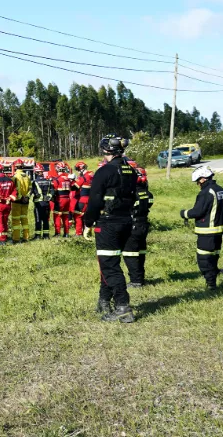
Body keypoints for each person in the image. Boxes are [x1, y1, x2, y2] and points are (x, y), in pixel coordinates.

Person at [83, 135, 138, 323]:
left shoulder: (104, 171)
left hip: (108, 224)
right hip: (126, 222)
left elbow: (94, 201)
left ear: (106, 150)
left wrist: (88, 222)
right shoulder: (131, 170)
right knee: (109, 263)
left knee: (109, 266)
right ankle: (104, 300)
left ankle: (123, 307)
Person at [180, 166, 223, 290]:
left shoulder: (206, 192)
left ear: (202, 179)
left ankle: (211, 285)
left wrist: (184, 213)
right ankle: (213, 280)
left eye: (197, 181)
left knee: (204, 259)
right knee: (214, 256)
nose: (198, 184)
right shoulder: (220, 190)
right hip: (218, 231)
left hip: (207, 232)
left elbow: (197, 211)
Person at [123, 167, 153, 288]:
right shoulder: (147, 193)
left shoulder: (131, 194)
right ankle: (141, 278)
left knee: (130, 253)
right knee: (141, 252)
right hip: (143, 224)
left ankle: (135, 281)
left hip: (133, 225)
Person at [11, 161, 35, 243]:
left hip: (17, 201)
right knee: (24, 219)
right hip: (25, 200)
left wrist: (20, 197)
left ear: (15, 167)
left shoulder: (15, 177)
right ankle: (26, 237)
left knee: (16, 220)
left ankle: (16, 239)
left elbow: (13, 189)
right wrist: (26, 197)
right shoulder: (27, 177)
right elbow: (30, 189)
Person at [72, 161, 94, 236]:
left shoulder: (83, 177)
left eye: (78, 169)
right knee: (87, 216)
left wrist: (73, 180)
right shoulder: (91, 175)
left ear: (81, 168)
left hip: (83, 199)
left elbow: (74, 188)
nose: (78, 171)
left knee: (77, 215)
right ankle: (88, 232)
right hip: (91, 199)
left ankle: (78, 233)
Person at [53, 162, 73, 238]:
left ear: (57, 169)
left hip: (60, 199)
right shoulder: (68, 178)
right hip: (67, 199)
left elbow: (54, 190)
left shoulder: (57, 179)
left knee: (57, 216)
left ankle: (57, 233)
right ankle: (66, 233)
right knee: (66, 216)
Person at [33, 164, 53, 240]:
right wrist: (49, 197)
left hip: (38, 204)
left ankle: (37, 236)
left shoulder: (35, 182)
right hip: (47, 204)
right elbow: (52, 191)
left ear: (36, 172)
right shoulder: (48, 181)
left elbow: (32, 192)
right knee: (45, 220)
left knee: (38, 220)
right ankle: (46, 235)